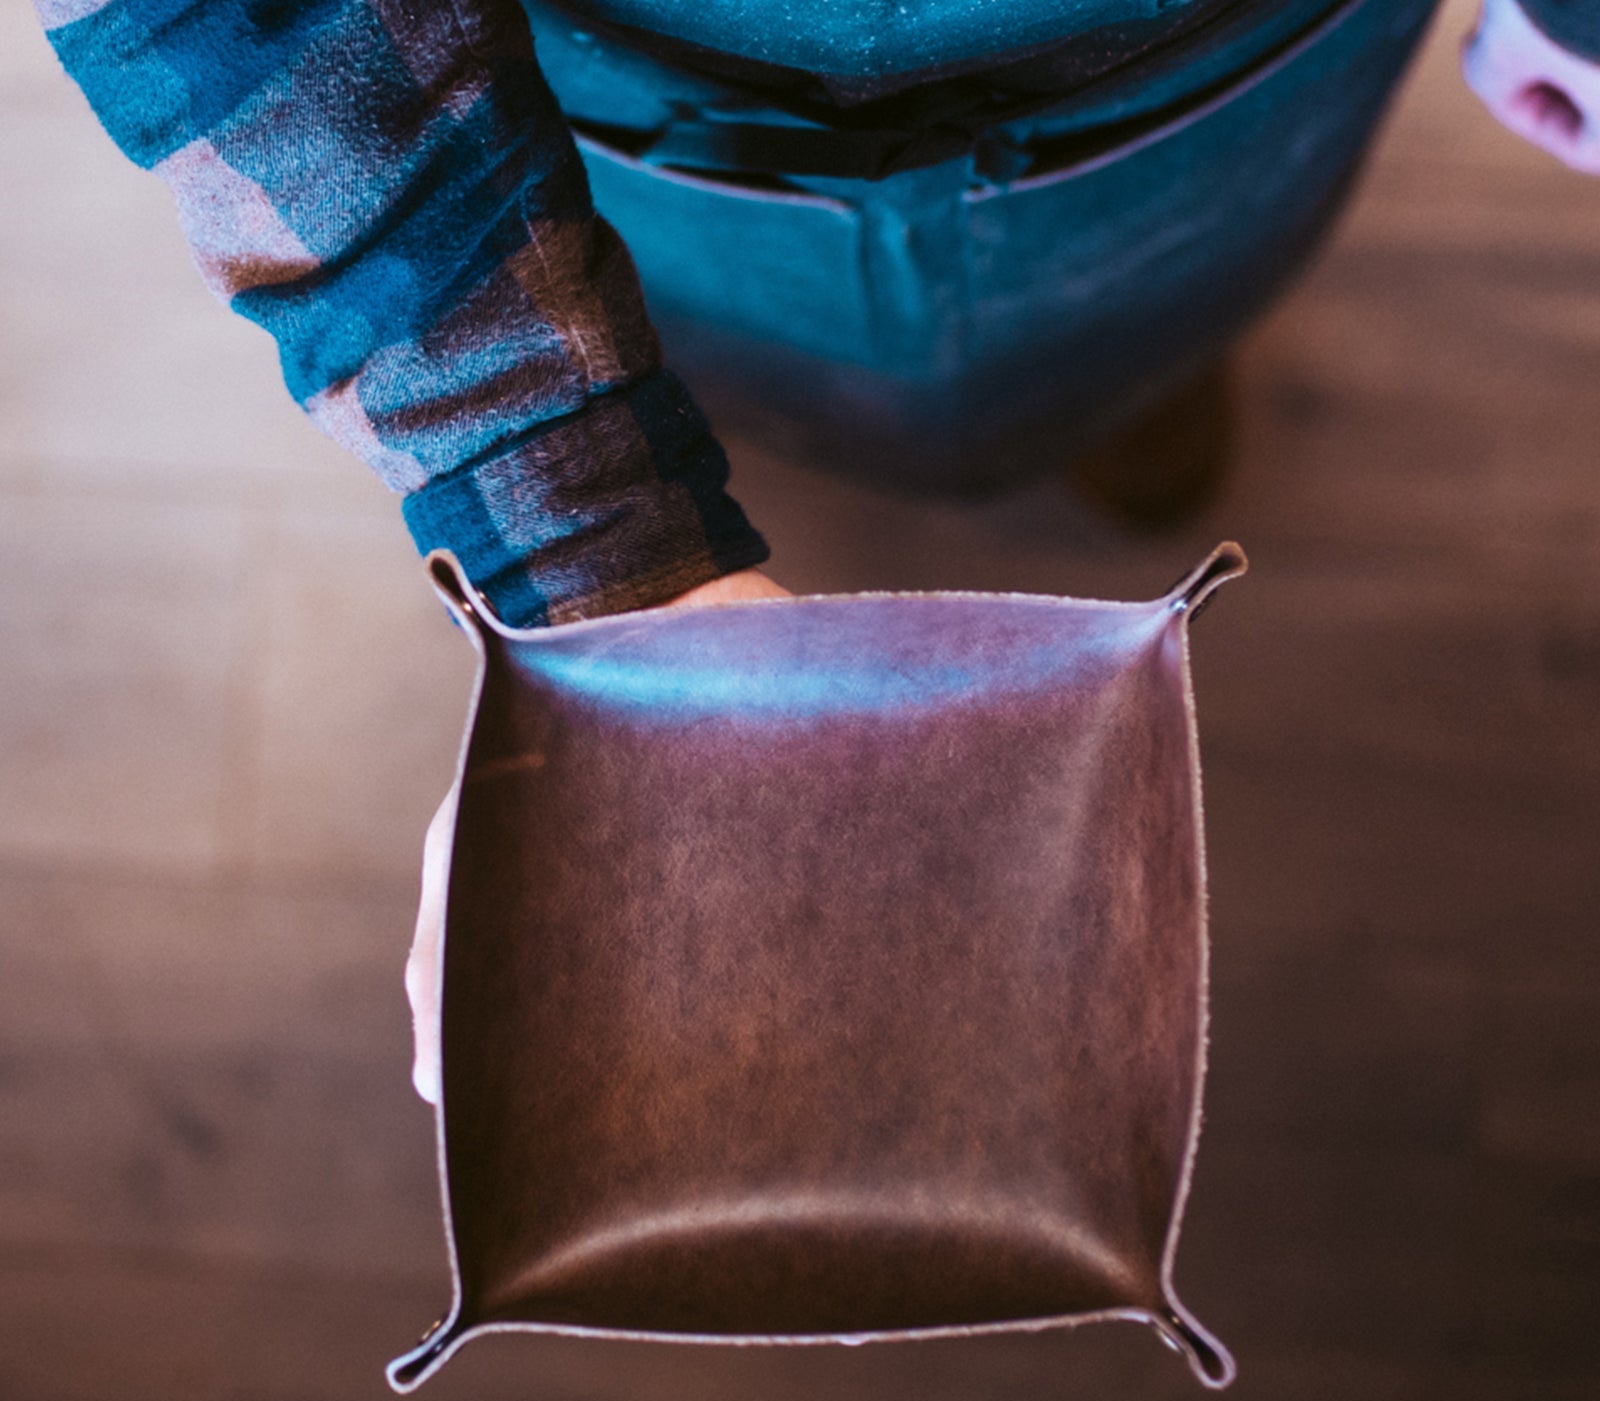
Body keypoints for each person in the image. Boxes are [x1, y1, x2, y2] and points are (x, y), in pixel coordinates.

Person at [26, 0, 1600, 1106]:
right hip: (626, 97)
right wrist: (598, 556)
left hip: (1221, 76)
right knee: (723, 344)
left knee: (1158, 330)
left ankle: (1133, 410)